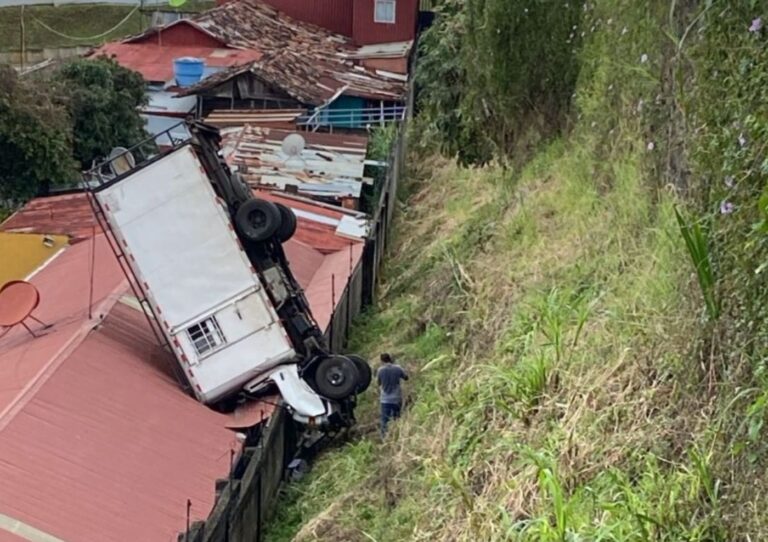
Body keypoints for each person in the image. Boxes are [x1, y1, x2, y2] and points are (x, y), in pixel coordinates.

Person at [376, 352, 408, 437]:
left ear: (382, 360)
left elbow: (378, 383)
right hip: (397, 398)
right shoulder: (397, 368)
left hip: (385, 399)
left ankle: (384, 439)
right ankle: (398, 435)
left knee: (384, 421)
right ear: (390, 358)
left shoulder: (380, 370)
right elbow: (406, 377)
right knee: (397, 418)